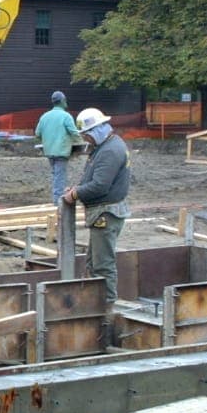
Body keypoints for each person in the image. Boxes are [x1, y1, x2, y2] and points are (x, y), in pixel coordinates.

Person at [62, 108, 130, 305]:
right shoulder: (105, 147)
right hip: (102, 213)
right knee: (93, 262)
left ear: (96, 130)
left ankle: (106, 303)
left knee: (102, 264)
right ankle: (95, 301)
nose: (86, 139)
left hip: (106, 214)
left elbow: (100, 185)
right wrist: (78, 188)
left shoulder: (110, 151)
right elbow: (94, 177)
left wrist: (75, 194)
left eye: (87, 135)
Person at [34, 91, 81, 205]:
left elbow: (37, 133)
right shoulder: (66, 116)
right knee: (59, 177)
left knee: (56, 175)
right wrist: (81, 141)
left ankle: (58, 199)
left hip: (49, 151)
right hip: (61, 151)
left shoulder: (44, 116)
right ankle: (58, 203)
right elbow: (74, 133)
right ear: (63, 101)